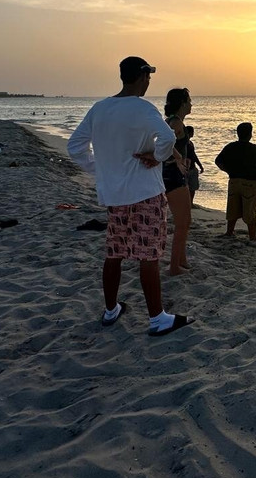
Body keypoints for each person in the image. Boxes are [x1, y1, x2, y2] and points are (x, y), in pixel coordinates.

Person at [67, 56, 192, 336]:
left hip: (114, 195)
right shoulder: (143, 108)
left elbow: (75, 147)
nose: (149, 82)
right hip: (145, 192)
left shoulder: (100, 108)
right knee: (148, 256)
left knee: (115, 253)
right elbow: (168, 139)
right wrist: (157, 157)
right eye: (148, 77)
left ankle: (111, 309)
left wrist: (102, 168)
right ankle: (157, 317)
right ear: (143, 77)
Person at [215, 122, 256, 242]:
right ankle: (252, 237)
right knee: (250, 210)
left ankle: (229, 232)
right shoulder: (253, 148)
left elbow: (218, 161)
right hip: (249, 182)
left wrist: (227, 171)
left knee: (232, 207)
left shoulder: (230, 146)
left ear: (238, 134)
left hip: (234, 181)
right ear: (250, 134)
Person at [162, 88, 193, 275]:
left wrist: (183, 157)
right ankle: (174, 266)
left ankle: (182, 260)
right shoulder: (175, 122)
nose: (191, 104)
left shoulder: (174, 121)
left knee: (186, 221)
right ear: (182, 103)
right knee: (182, 223)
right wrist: (177, 157)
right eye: (189, 100)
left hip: (175, 175)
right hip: (173, 178)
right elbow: (162, 142)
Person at [183, 125, 204, 207]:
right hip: (186, 168)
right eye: (192, 132)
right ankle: (188, 203)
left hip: (192, 167)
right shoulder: (183, 144)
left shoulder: (190, 143)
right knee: (188, 187)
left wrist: (200, 165)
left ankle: (190, 202)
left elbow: (194, 156)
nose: (193, 134)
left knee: (192, 187)